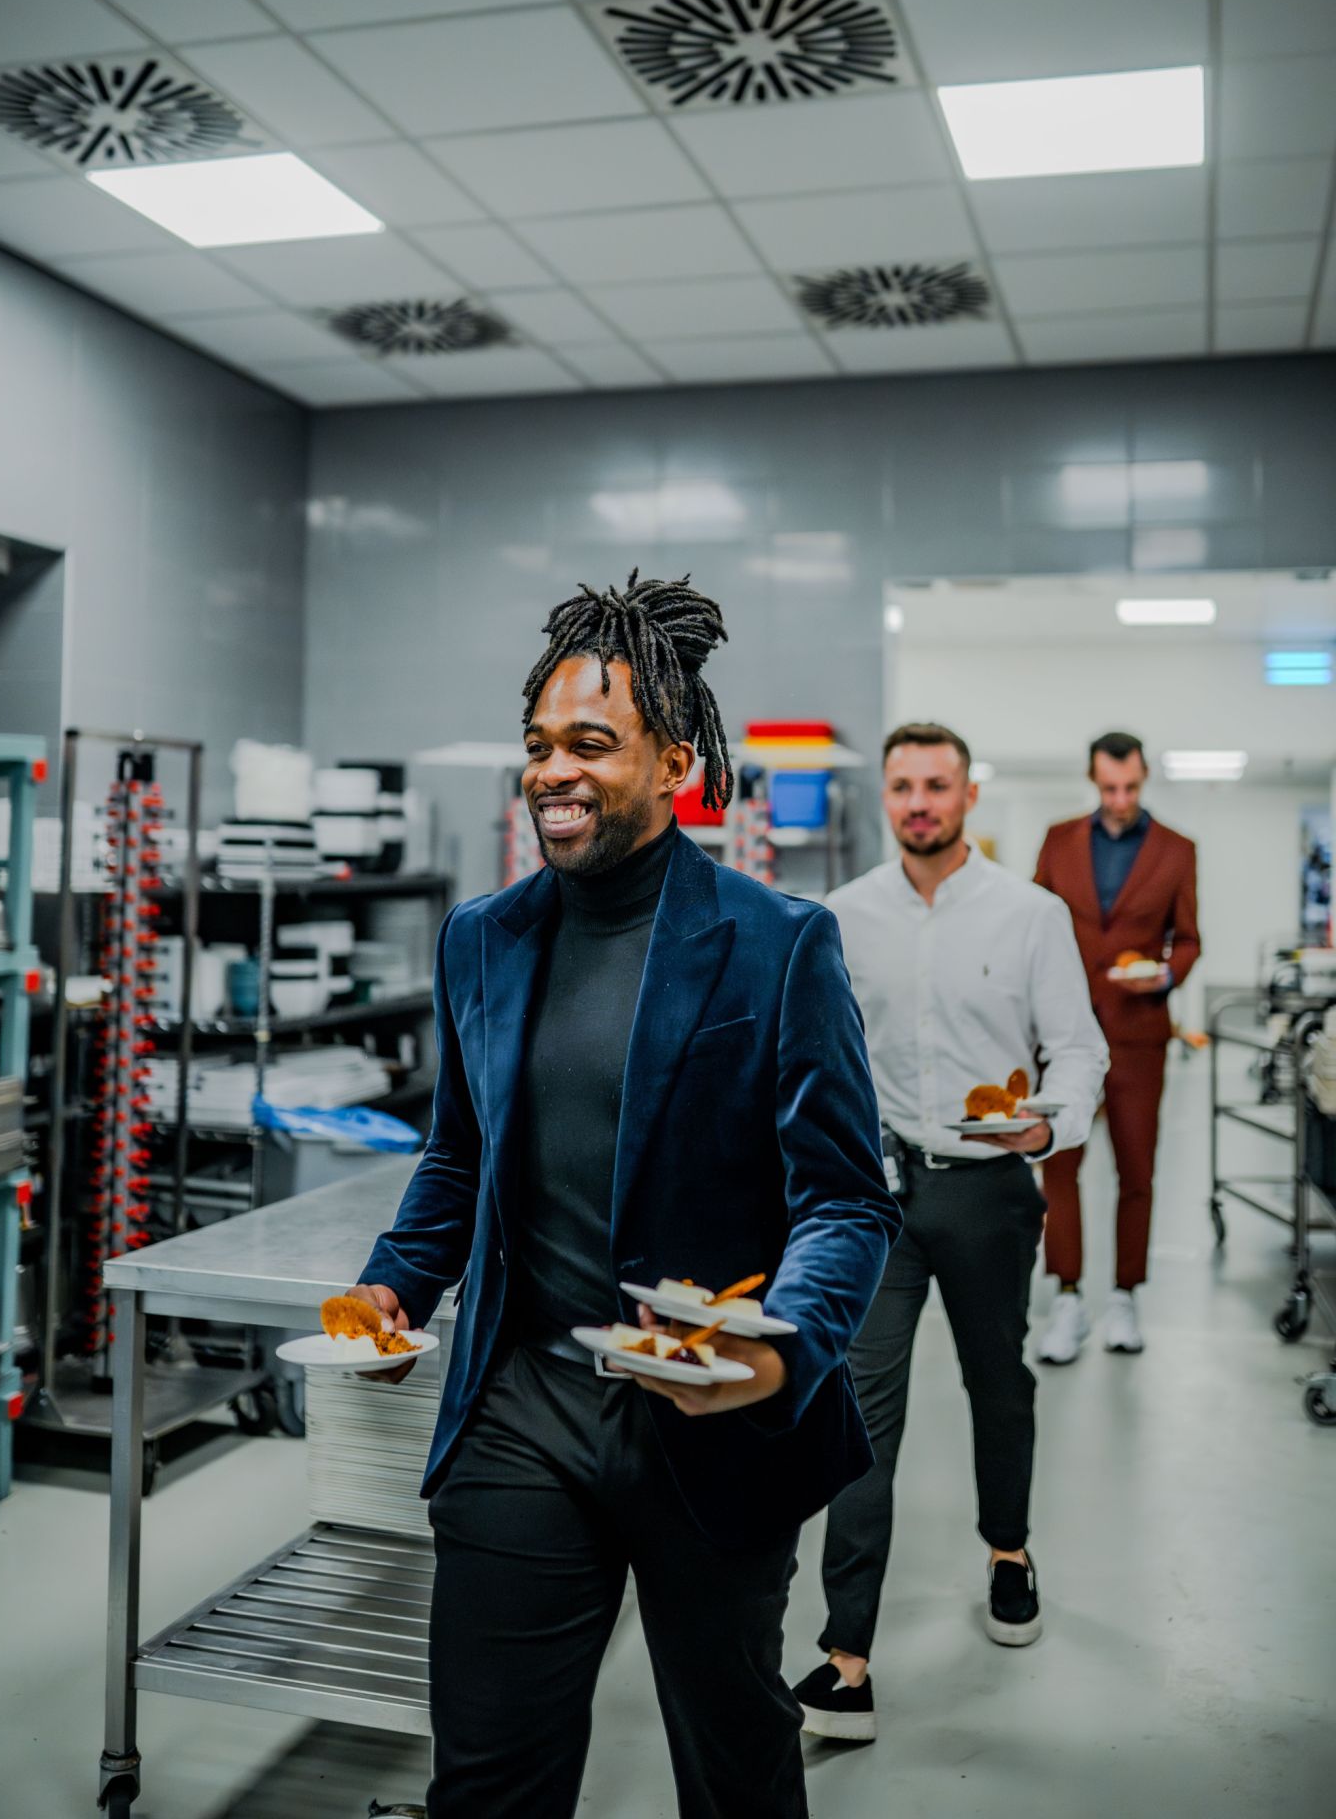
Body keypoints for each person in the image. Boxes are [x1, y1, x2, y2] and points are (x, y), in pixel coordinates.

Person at [345, 571, 901, 1819]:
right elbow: (458, 1157)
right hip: (519, 1412)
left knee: (734, 1764)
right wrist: (395, 1286)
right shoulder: (482, 937)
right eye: (539, 743)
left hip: (707, 1417)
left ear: (675, 764)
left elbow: (845, 1202)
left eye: (590, 744)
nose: (553, 770)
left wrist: (781, 1350)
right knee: (487, 1780)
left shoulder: (778, 942)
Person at [793, 723, 1106, 1743]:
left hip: (988, 1189)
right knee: (860, 1410)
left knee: (997, 1382)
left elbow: (1078, 1050)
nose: (919, 802)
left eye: (936, 784)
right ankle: (847, 1654)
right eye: (903, 786)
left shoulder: (1030, 915)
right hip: (878, 1197)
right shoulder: (842, 917)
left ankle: (1008, 1551)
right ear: (886, 797)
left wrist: (1047, 1126)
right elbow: (821, 1057)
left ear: (967, 795)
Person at [1033, 731, 1200, 1362]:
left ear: (1145, 776)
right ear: (1093, 779)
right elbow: (1034, 920)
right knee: (1060, 1164)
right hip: (1063, 1029)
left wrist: (1166, 975)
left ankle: (1126, 1295)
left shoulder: (1177, 851)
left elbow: (1189, 939)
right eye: (1109, 788)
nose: (1120, 799)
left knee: (1136, 1169)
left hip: (1138, 1032)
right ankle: (1068, 1296)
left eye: (1130, 787)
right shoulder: (1058, 841)